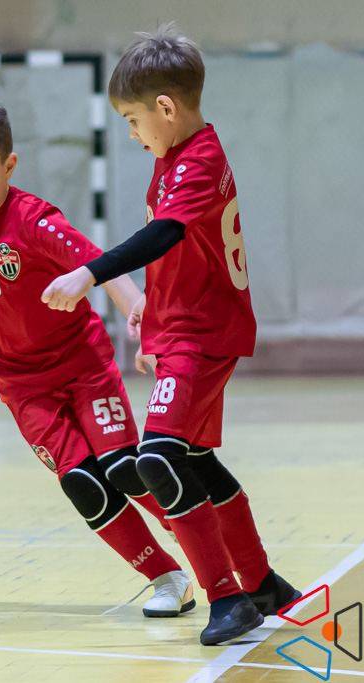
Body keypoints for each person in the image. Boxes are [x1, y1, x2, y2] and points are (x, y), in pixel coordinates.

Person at [41, 25, 301, 645]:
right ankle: (263, 584)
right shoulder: (172, 159)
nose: (132, 134)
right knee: (195, 461)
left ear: (165, 107)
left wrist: (89, 272)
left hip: (205, 334)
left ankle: (228, 599)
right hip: (185, 330)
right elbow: (184, 258)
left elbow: (163, 236)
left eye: (134, 120)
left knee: (156, 458)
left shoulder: (199, 160)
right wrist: (151, 321)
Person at [0, 97, 195, 618]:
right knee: (84, 485)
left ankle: (199, 533)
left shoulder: (35, 220)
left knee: (124, 468)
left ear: (9, 166)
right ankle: (167, 578)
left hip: (83, 368)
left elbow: (98, 264)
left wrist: (138, 316)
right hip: (21, 386)